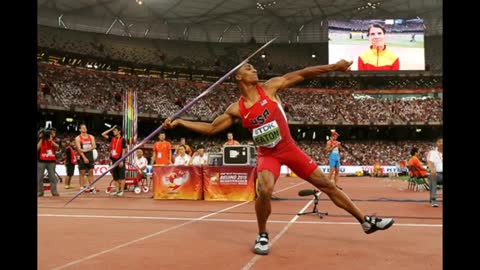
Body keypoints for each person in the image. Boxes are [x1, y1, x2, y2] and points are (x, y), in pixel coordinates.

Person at [163, 59, 394, 255]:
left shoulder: (270, 88)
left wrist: (334, 66)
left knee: (327, 185)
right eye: (249, 68)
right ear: (238, 77)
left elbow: (303, 74)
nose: (254, 70)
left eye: (254, 68)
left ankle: (365, 221)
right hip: (267, 155)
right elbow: (212, 128)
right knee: (264, 190)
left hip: (289, 149)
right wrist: (180, 122)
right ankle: (262, 235)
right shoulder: (237, 108)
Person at [102, 125, 127, 197]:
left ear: (119, 131)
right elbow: (103, 134)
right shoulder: (112, 138)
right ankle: (117, 191)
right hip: (113, 159)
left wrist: (122, 160)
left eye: (115, 130)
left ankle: (121, 191)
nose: (114, 132)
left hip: (120, 159)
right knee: (115, 177)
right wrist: (111, 129)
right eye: (113, 131)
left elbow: (124, 150)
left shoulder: (123, 140)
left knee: (122, 177)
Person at [37, 128, 60, 196]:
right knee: (39, 177)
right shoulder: (40, 139)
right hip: (41, 161)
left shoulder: (55, 139)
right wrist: (41, 139)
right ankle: (40, 191)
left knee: (52, 177)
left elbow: (57, 147)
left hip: (51, 161)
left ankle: (54, 191)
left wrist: (51, 141)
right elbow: (37, 148)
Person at [75, 123, 97, 193]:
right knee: (82, 173)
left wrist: (86, 150)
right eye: (82, 128)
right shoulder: (78, 138)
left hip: (90, 156)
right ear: (80, 130)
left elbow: (94, 146)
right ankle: (82, 187)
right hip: (82, 157)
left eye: (85, 128)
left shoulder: (91, 137)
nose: (84, 129)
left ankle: (92, 187)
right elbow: (79, 149)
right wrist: (84, 157)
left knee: (91, 172)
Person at [426, 138, 443, 207]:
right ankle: (433, 199)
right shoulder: (432, 152)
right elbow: (430, 162)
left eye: (442, 142)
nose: (441, 143)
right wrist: (432, 170)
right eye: (439, 142)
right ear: (437, 143)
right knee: (433, 176)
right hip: (437, 174)